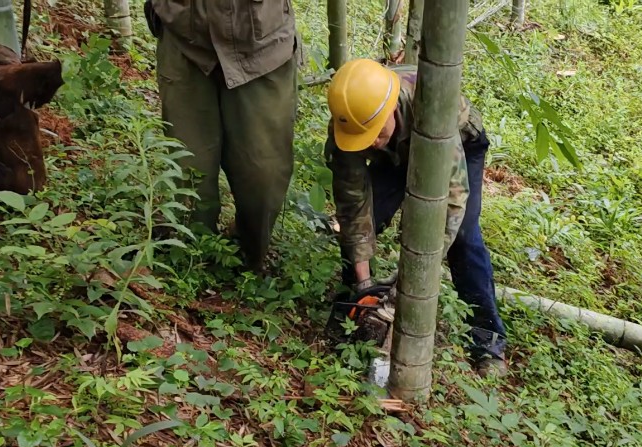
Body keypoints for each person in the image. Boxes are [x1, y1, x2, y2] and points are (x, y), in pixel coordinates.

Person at [323, 58, 508, 376]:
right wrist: (366, 286)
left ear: (390, 110)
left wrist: (402, 292)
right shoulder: (350, 125)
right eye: (362, 139)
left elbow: (450, 208)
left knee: (463, 238)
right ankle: (354, 303)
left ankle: (487, 342)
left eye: (374, 134)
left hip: (456, 143)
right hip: (396, 153)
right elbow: (353, 205)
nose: (369, 143)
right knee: (367, 218)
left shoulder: (432, 111)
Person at [146, 0, 299, 273]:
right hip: (183, 33)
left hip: (261, 42)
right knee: (190, 170)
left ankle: (246, 256)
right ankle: (195, 261)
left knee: (263, 175)